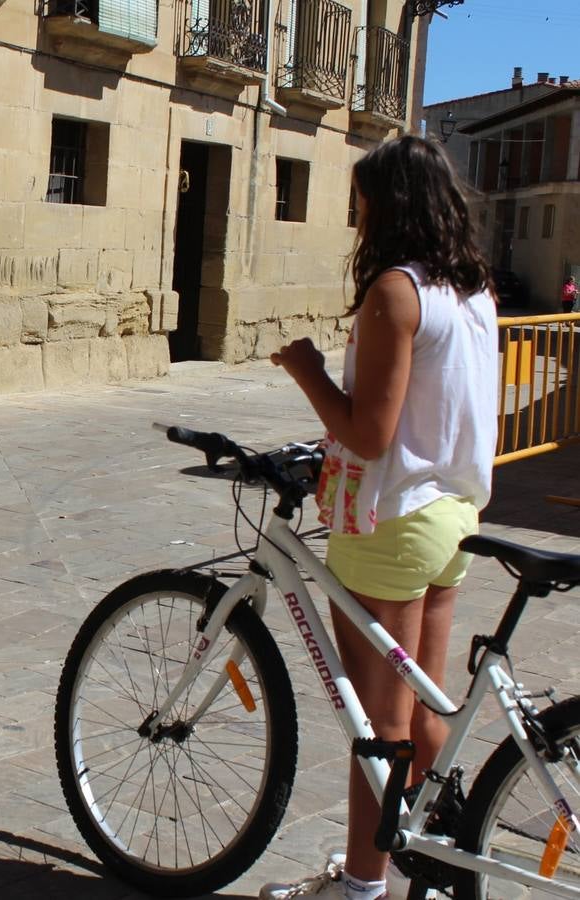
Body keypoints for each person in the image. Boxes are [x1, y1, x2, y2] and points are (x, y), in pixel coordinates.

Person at [261, 135, 498, 900]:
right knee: (427, 704)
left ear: (388, 205)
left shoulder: (395, 292)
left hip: (394, 523)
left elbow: (370, 434)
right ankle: (437, 856)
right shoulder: (473, 291)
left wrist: (307, 371)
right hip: (454, 516)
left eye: (361, 202)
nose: (355, 217)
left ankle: (364, 887)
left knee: (379, 728)